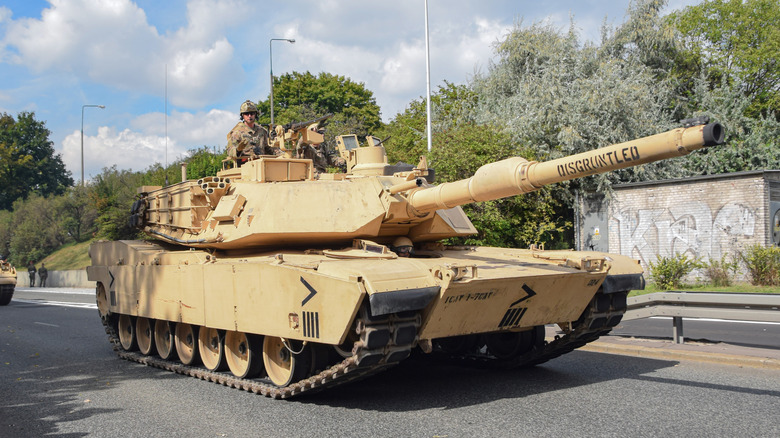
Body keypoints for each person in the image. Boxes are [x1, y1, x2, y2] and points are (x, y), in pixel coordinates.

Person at [226, 100, 276, 165]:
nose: (249, 116)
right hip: (244, 165)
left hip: (262, 164)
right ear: (242, 115)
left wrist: (282, 154)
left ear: (255, 114)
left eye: (252, 113)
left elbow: (269, 147)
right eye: (246, 114)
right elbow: (229, 150)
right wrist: (238, 150)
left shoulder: (262, 131)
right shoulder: (237, 132)